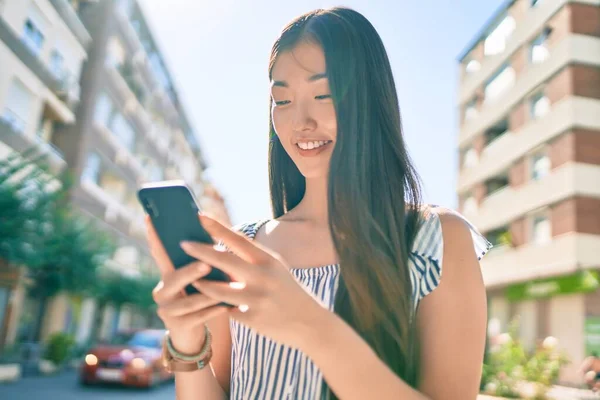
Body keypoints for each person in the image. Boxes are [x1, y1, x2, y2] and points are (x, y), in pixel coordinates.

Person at [147, 7, 492, 400]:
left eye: (323, 94)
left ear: (370, 98)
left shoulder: (435, 240)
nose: (300, 122)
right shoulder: (245, 248)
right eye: (283, 100)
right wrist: (188, 340)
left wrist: (311, 326)